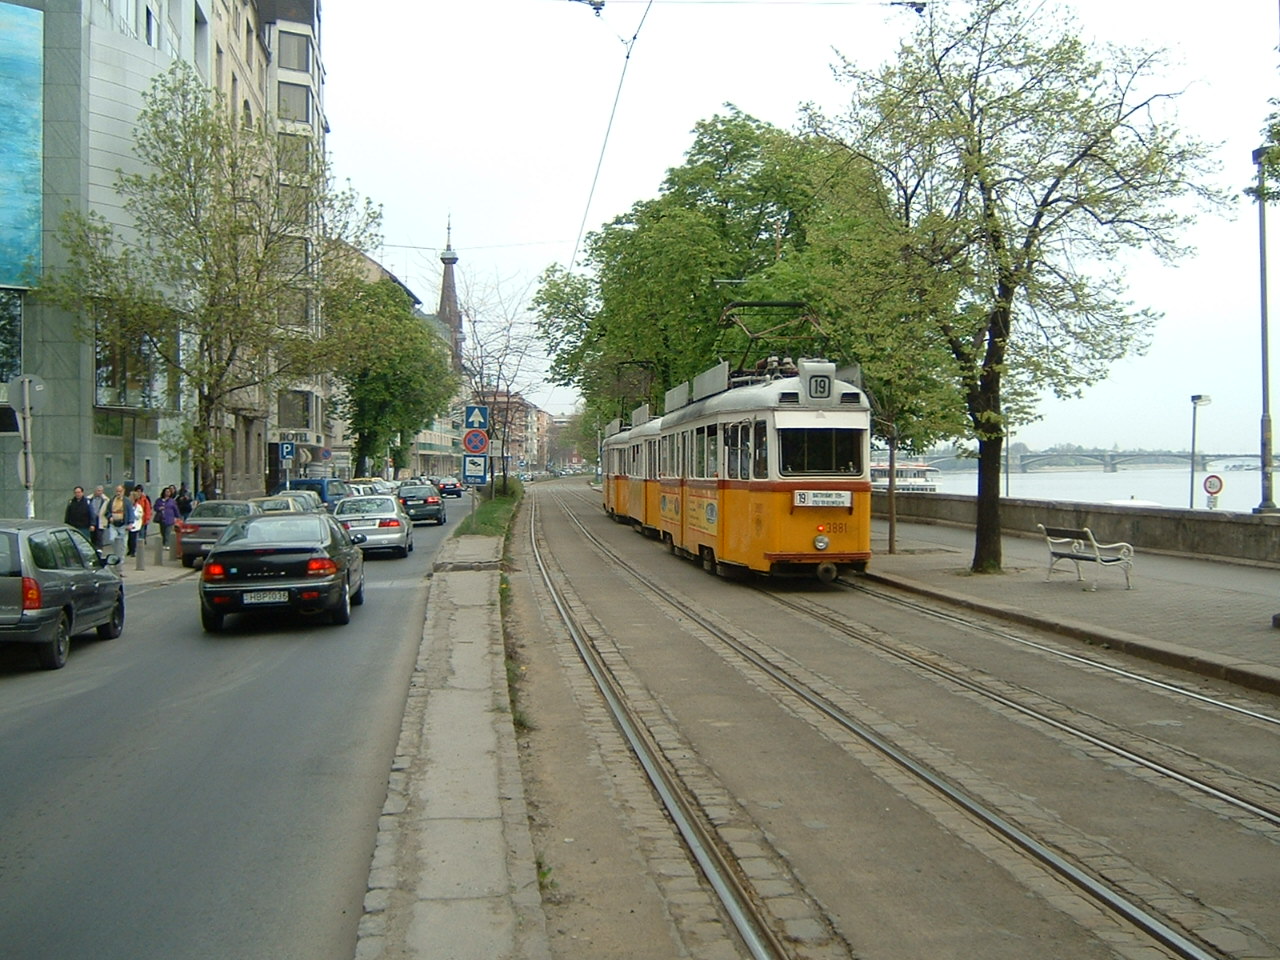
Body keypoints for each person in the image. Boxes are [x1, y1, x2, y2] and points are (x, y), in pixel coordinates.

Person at [100, 484, 134, 561]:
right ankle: (116, 555)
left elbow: (131, 512)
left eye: (120, 491)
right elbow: (107, 512)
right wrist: (110, 517)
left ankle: (121, 558)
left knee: (123, 543)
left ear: (123, 491)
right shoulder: (112, 500)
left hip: (123, 524)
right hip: (113, 524)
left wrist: (130, 523)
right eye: (117, 491)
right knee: (112, 539)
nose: (118, 493)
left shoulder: (127, 501)